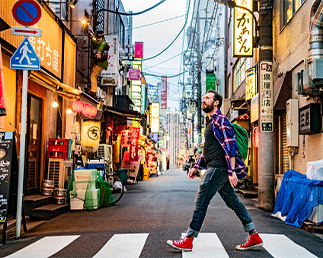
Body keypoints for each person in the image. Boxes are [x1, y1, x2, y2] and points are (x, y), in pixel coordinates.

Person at [167, 90, 263, 252]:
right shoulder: (211, 122)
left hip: (218, 169)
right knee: (233, 202)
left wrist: (232, 171)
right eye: (203, 98)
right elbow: (208, 150)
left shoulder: (221, 121)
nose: (204, 100)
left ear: (216, 102)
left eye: (207, 98)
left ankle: (189, 239)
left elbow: (231, 146)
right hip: (217, 168)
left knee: (201, 201)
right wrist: (197, 166)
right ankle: (253, 234)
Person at [90, 31, 109, 95]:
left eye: (100, 38)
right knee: (93, 74)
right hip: (99, 63)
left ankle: (93, 91)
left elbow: (101, 46)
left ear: (103, 38)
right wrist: (92, 38)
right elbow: (96, 44)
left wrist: (99, 52)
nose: (98, 39)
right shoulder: (100, 44)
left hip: (101, 63)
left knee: (93, 76)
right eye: (98, 38)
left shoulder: (103, 43)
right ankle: (93, 90)